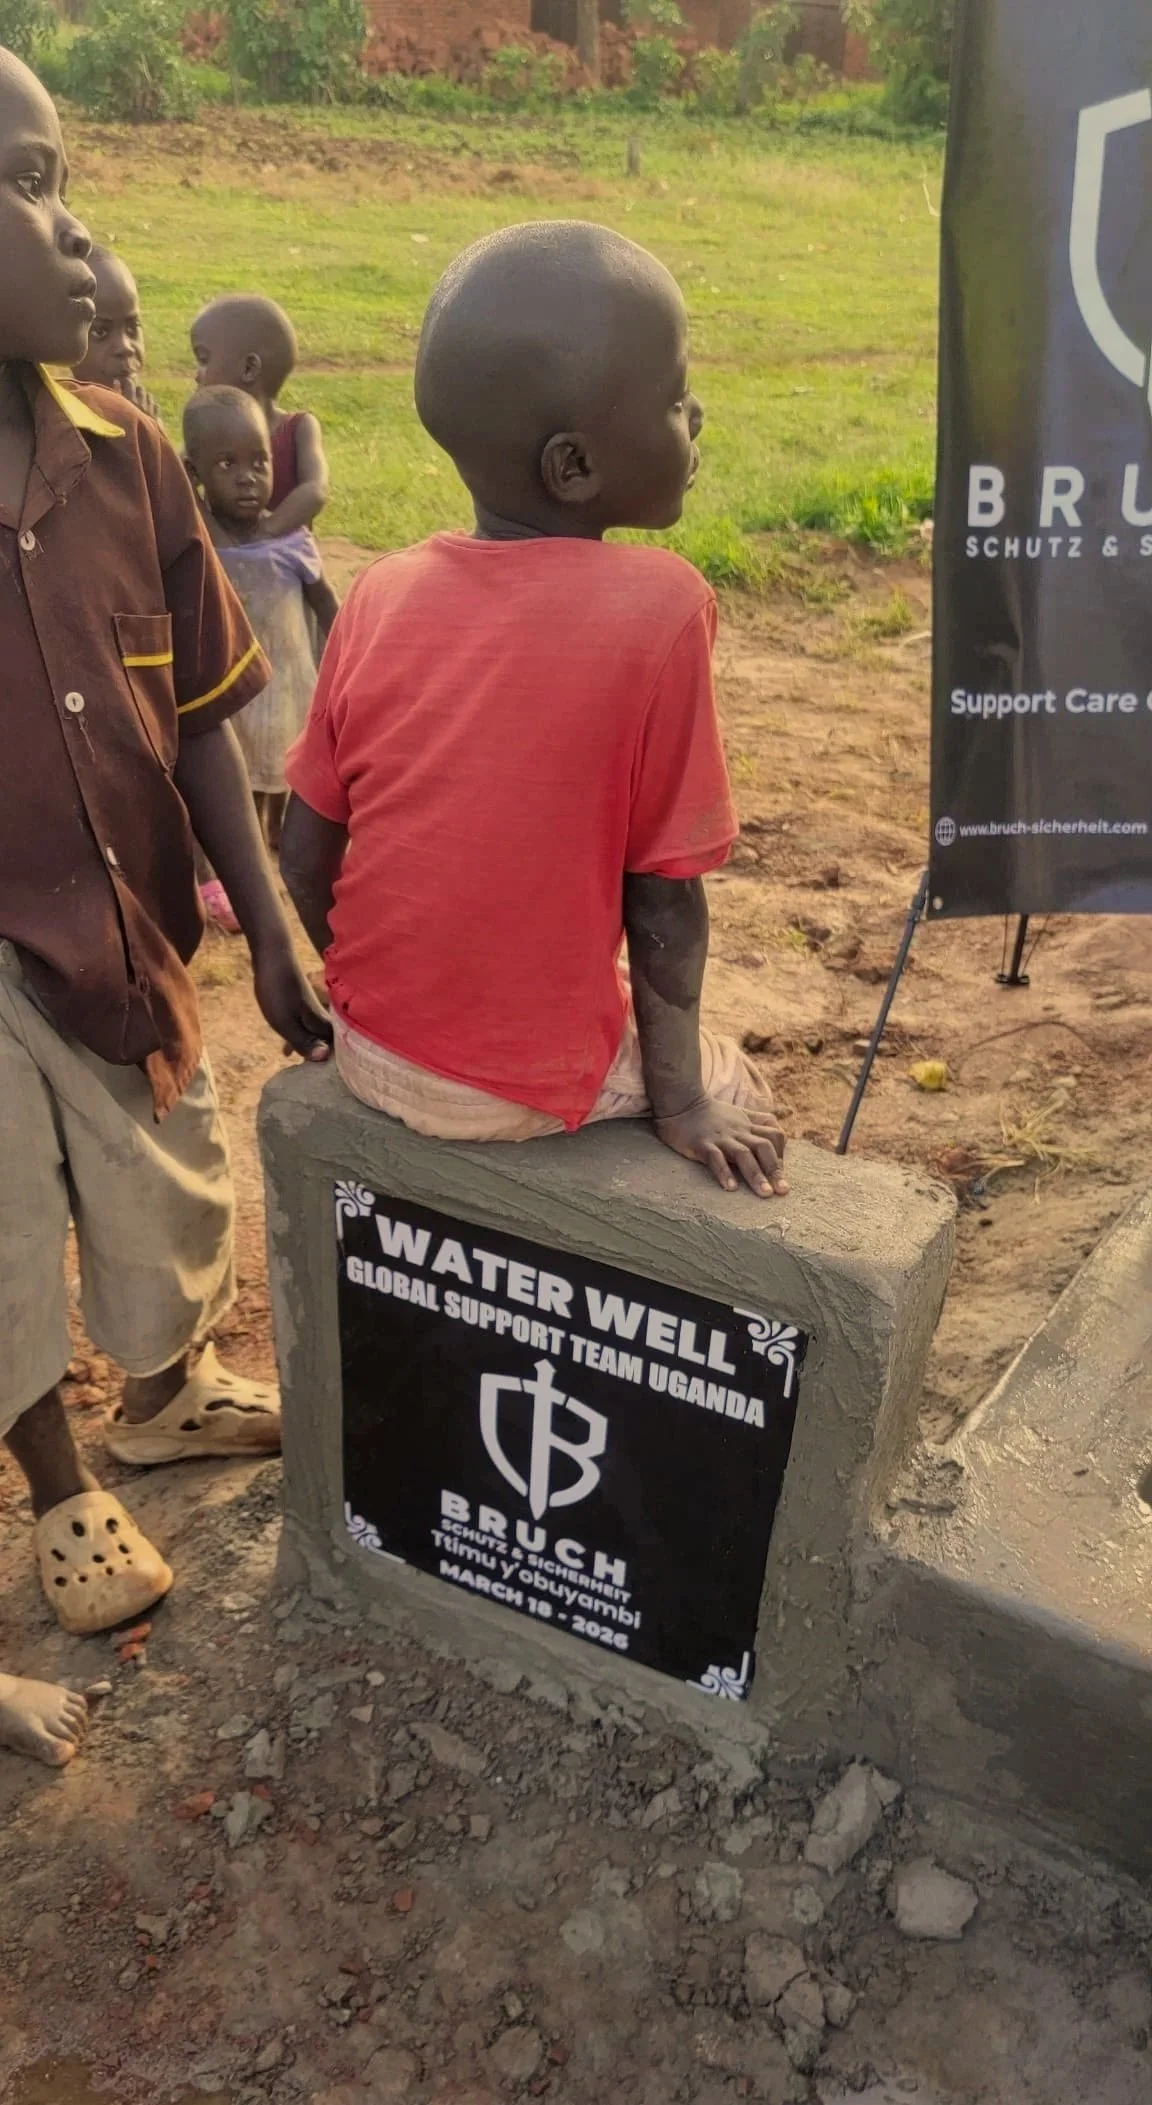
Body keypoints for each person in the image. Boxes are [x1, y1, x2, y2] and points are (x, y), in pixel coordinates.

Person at [0, 48, 331, 1762]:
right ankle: (55, 1476)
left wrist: (269, 925)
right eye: (29, 183)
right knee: (1, 1237)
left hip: (129, 931)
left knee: (163, 1174)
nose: (75, 231)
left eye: (60, 177)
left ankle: (160, 1391)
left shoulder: (130, 457)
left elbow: (202, 711)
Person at [280, 221, 788, 1201]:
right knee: (737, 1086)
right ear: (573, 468)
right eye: (674, 398)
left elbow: (304, 852)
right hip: (503, 1090)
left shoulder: (380, 590)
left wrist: (386, 1001)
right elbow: (664, 900)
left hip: (369, 1046)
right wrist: (683, 1100)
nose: (696, 415)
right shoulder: (662, 607)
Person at [183, 386, 339, 852]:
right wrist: (186, 490)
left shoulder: (290, 540)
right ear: (195, 474)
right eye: (226, 465)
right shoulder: (200, 540)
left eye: (259, 462)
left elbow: (325, 603)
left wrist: (347, 658)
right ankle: (246, 845)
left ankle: (276, 837)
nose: (248, 478)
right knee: (240, 776)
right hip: (232, 691)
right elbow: (217, 543)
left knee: (284, 767)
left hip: (287, 685)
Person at [190, 292, 329, 539]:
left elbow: (315, 489)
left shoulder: (298, 428)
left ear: (249, 368)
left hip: (286, 558)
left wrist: (266, 532)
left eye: (203, 360)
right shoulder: (210, 434)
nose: (196, 374)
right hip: (226, 556)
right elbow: (180, 482)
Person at [71, 242, 161, 421]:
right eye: (100, 332)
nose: (125, 347)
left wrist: (149, 427)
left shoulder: (142, 413)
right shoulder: (56, 421)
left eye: (132, 328)